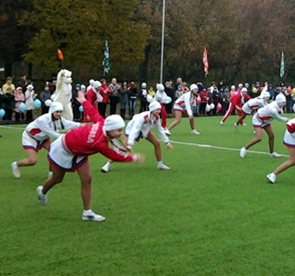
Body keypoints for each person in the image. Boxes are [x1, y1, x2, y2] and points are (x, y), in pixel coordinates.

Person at [36, 90, 145, 222]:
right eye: (119, 130)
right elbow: (113, 155)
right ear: (110, 129)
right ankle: (42, 192)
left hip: (80, 150)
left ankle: (87, 212)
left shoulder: (102, 123)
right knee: (57, 178)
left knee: (87, 179)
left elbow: (93, 112)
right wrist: (132, 158)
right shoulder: (98, 143)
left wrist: (83, 100)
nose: (120, 133)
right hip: (63, 149)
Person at [11, 102, 81, 178]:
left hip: (44, 138)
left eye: (61, 112)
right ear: (52, 111)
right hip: (30, 138)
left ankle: (51, 175)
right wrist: (66, 138)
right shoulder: (43, 120)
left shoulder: (59, 119)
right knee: (32, 161)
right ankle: (15, 164)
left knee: (54, 152)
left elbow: (68, 123)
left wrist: (81, 125)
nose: (59, 114)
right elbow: (51, 133)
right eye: (57, 112)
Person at [101, 100, 174, 172]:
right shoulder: (143, 117)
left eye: (159, 109)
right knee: (124, 149)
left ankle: (160, 164)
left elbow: (160, 129)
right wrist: (130, 144)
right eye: (157, 109)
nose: (159, 111)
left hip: (145, 130)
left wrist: (167, 142)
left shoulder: (156, 118)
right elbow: (134, 130)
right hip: (132, 129)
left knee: (157, 144)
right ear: (152, 110)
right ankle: (107, 165)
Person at [240, 94, 288, 158]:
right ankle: (244, 149)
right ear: (279, 102)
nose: (284, 104)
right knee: (259, 138)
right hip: (258, 119)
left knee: (271, 136)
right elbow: (279, 118)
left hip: (266, 120)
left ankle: (272, 153)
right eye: (283, 102)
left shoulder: (276, 104)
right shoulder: (272, 110)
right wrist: (288, 119)